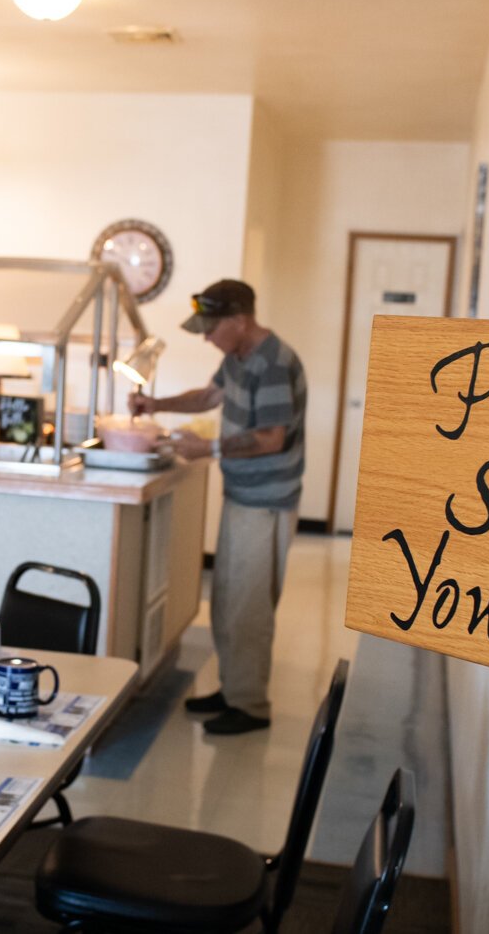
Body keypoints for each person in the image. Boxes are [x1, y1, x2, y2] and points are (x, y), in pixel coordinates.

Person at [132, 279, 306, 735]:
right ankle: (234, 691)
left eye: (211, 329)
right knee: (228, 600)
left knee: (249, 608)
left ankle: (250, 706)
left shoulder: (273, 363)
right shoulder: (238, 357)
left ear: (239, 320)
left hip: (266, 504)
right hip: (243, 497)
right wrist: (155, 404)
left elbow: (272, 438)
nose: (207, 338)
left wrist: (208, 449)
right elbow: (208, 397)